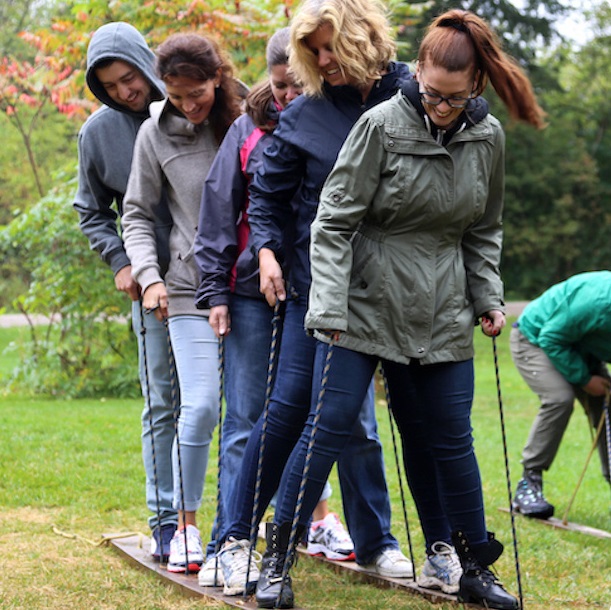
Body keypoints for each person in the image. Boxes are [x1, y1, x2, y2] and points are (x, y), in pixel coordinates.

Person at [283, 8, 546, 610]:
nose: (440, 107)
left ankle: (473, 568)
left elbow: (484, 229)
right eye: (430, 93)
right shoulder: (380, 125)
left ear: (476, 87)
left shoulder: (487, 138)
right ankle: (275, 558)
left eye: (454, 99)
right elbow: (333, 221)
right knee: (329, 428)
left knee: (451, 438)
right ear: (417, 73)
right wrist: (327, 306)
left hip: (443, 308)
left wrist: (487, 296)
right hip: (364, 306)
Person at [215, 0, 414, 605]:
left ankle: (378, 539)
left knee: (361, 424)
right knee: (287, 409)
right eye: (314, 51)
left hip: (393, 289)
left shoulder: (411, 95)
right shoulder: (303, 114)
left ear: (363, 39)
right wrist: (268, 251)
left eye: (332, 48)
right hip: (311, 287)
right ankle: (236, 540)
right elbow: (268, 196)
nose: (323, 61)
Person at [193, 27, 354, 589]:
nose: (286, 95)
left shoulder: (342, 111)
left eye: (295, 85)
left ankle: (348, 530)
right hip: (261, 287)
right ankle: (229, 540)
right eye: (280, 84)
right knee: (256, 415)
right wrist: (218, 287)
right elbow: (226, 212)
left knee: (337, 418)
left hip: (322, 283)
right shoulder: (252, 127)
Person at [122, 32, 242, 573]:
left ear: (217, 76)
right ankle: (185, 528)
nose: (189, 106)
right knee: (199, 408)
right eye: (177, 96)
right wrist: (149, 276)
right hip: (190, 292)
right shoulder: (155, 134)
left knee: (262, 413)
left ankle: (283, 522)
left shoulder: (250, 118)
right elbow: (137, 214)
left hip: (253, 292)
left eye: (197, 93)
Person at [73, 22, 177, 563]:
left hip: (213, 279)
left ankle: (242, 518)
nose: (124, 91)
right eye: (111, 85)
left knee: (241, 402)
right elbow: (90, 209)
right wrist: (120, 260)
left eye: (128, 77)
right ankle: (165, 522)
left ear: (144, 61)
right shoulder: (97, 132)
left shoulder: (191, 102)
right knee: (162, 402)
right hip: (148, 284)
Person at [510, 271, 611, 519]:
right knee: (560, 399)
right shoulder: (599, 302)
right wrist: (585, 379)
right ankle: (528, 484)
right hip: (535, 339)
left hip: (581, 348)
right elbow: (551, 337)